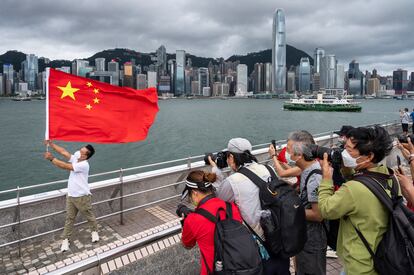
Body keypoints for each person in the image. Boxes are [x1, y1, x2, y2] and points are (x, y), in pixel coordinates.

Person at [318, 126, 394, 274]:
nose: (344, 153)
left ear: (369, 156)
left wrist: (326, 179)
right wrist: (347, 170)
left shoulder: (353, 189)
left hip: (359, 265)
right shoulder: (389, 176)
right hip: (379, 254)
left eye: (349, 149)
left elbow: (326, 210)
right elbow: (365, 185)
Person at [210, 138, 290, 275]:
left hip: (260, 247)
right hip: (280, 239)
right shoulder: (269, 169)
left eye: (228, 157)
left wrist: (217, 173)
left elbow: (218, 199)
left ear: (231, 157)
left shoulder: (233, 181)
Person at [271, 131, 327, 275]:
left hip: (312, 239)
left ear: (300, 155)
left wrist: (290, 209)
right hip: (304, 235)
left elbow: (317, 214)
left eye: (289, 150)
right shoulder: (307, 169)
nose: (287, 153)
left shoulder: (315, 177)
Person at [179, 170, 243, 275]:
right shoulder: (231, 206)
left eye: (189, 196)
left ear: (194, 193)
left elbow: (187, 245)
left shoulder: (192, 219)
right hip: (238, 265)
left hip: (212, 270)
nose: (190, 199)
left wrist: (184, 225)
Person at [43, 140, 99, 252]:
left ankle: (94, 232)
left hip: (82, 196)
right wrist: (51, 144)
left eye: (81, 151)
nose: (79, 151)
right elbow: (64, 152)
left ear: (85, 155)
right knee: (69, 218)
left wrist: (51, 159)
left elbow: (65, 166)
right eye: (80, 149)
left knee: (89, 216)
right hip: (71, 196)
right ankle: (65, 239)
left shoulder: (84, 165)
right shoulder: (77, 158)